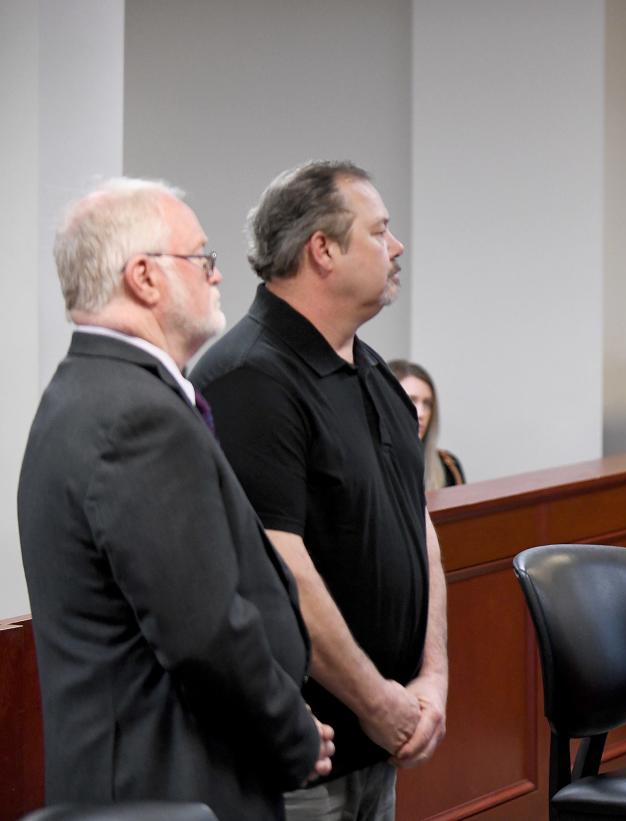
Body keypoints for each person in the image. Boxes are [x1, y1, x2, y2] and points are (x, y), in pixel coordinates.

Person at [17, 179, 334, 819]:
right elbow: (204, 631)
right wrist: (291, 733)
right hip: (172, 782)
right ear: (145, 278)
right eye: (201, 257)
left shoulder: (87, 391)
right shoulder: (137, 417)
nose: (217, 277)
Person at [192, 161, 447, 820]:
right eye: (379, 231)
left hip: (381, 743)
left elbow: (420, 532)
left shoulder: (372, 372)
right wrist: (377, 701)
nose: (396, 248)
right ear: (323, 250)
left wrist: (431, 680)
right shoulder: (248, 378)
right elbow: (281, 569)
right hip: (306, 758)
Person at [388, 359, 466, 489]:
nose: (421, 413)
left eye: (427, 404)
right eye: (411, 400)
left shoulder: (448, 467)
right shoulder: (365, 467)